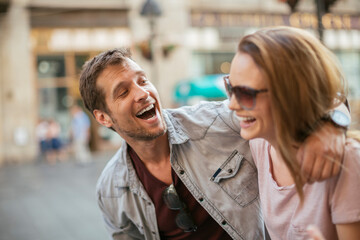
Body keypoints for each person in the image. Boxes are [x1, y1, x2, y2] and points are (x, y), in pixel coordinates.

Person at [79, 48, 346, 239]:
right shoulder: (111, 191)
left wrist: (330, 124)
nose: (142, 93)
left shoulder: (217, 121)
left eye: (142, 80)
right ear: (103, 118)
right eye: (123, 92)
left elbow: (312, 95)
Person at [226, 26, 360, 240]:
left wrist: (332, 122)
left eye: (245, 93)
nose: (231, 105)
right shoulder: (260, 140)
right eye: (230, 87)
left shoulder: (346, 161)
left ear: (289, 94)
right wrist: (334, 119)